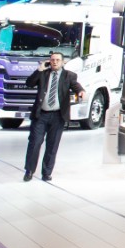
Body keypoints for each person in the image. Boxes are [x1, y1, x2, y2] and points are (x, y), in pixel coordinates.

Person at [21, 51, 85, 182]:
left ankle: (47, 173)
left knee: (52, 145)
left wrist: (81, 91)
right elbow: (29, 83)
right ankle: (29, 171)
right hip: (41, 115)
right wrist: (39, 70)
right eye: (52, 60)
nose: (54, 62)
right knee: (35, 142)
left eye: (57, 60)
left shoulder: (69, 75)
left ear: (63, 62)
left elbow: (76, 85)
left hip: (58, 116)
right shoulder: (43, 73)